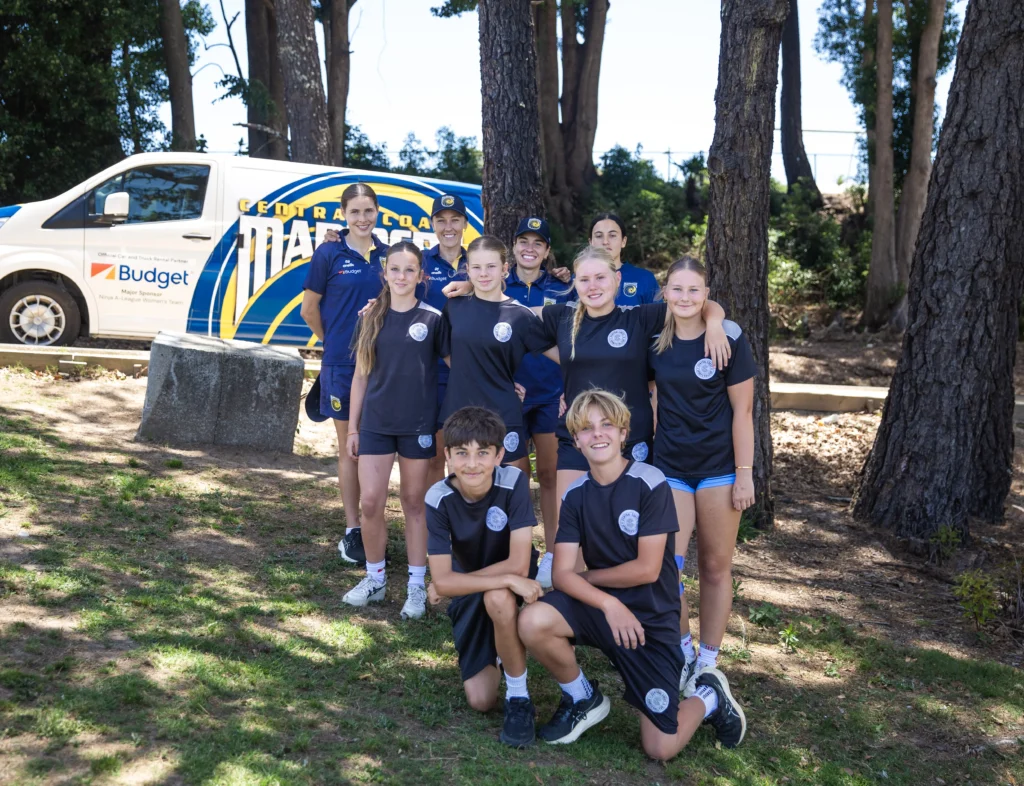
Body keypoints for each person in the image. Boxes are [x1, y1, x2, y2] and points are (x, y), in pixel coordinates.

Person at [517, 389, 746, 757]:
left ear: (623, 433)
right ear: (576, 440)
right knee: (533, 620)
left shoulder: (650, 482)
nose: (598, 434)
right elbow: (561, 575)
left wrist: (588, 580)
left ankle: (709, 697)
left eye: (607, 425)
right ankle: (581, 697)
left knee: (660, 748)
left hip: (650, 622)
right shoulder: (574, 494)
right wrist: (609, 604)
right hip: (604, 610)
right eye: (587, 428)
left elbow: (647, 569)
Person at [535, 245, 729, 535]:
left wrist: (714, 324)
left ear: (617, 279)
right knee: (574, 533)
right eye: (584, 279)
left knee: (628, 534)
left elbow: (695, 302)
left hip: (632, 442)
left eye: (600, 277)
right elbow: (510, 313)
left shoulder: (639, 317)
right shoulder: (562, 317)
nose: (592, 286)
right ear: (575, 283)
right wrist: (570, 365)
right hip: (578, 441)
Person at [648, 257, 755, 695]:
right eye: (677, 289)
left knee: (714, 566)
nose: (685, 297)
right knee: (665, 568)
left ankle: (708, 661)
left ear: (707, 294)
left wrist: (744, 474)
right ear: (665, 293)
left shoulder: (728, 336)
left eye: (695, 290)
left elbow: (743, 412)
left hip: (718, 470)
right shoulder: (654, 337)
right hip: (670, 467)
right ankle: (682, 651)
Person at [342, 242, 450, 619]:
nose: (402, 276)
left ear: (421, 276)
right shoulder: (370, 317)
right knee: (371, 501)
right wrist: (353, 429)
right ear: (384, 273)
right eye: (395, 269)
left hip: (418, 425)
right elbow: (360, 376)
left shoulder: (433, 318)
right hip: (375, 424)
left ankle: (416, 585)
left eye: (409, 270)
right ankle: (375, 578)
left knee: (414, 502)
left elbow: (460, 364)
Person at [426, 406, 543, 748]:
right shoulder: (437, 498)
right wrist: (453, 581)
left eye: (483, 453)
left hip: (502, 579)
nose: (472, 463)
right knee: (480, 701)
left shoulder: (514, 481)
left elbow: (518, 564)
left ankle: (518, 697)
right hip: (475, 582)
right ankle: (499, 645)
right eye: (462, 453)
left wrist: (453, 582)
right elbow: (444, 582)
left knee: (499, 599)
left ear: (499, 455)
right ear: (448, 456)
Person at [300, 182, 388, 568]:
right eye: (355, 212)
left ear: (377, 212)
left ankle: (375, 523)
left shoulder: (388, 256)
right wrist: (335, 342)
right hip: (340, 365)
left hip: (383, 366)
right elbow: (308, 310)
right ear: (344, 214)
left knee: (377, 446)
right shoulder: (328, 253)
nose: (362, 218)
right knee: (349, 448)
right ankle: (353, 529)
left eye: (368, 211)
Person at [439, 236, 551, 473]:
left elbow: (562, 357)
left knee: (505, 485)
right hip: (460, 411)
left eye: (491, 266)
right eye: (476, 267)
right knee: (463, 485)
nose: (483, 274)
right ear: (468, 270)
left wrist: (568, 391)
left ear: (504, 269)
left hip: (503, 413)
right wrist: (478, 374)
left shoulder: (521, 316)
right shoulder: (454, 306)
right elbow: (449, 354)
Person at [505, 217, 572, 589]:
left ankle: (552, 554)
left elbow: (573, 337)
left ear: (547, 252)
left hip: (550, 395)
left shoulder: (563, 288)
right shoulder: (498, 283)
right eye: (523, 241)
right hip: (509, 393)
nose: (529, 248)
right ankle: (520, 551)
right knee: (515, 478)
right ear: (514, 247)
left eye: (538, 243)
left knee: (550, 475)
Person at [419, 194, 471, 486]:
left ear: (465, 223)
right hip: (429, 370)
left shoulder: (477, 262)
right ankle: (434, 514)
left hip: (469, 369)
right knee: (434, 455)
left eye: (455, 220)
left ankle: (462, 510)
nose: (448, 226)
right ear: (432, 224)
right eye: (441, 220)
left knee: (465, 450)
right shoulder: (420, 262)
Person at [589, 213, 660, 305]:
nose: (605, 241)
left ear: (623, 241)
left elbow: (659, 313)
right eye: (599, 236)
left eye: (612, 235)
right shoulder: (578, 280)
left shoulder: (644, 279)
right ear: (591, 242)